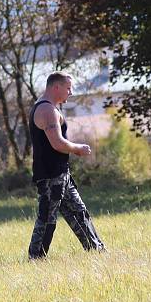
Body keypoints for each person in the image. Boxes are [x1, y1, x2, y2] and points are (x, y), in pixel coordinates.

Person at [28, 71, 105, 259]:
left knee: (79, 212)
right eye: (68, 88)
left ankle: (97, 250)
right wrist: (78, 148)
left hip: (61, 174)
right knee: (47, 218)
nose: (70, 92)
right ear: (56, 87)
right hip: (50, 176)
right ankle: (36, 257)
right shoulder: (46, 110)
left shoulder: (51, 108)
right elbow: (57, 143)